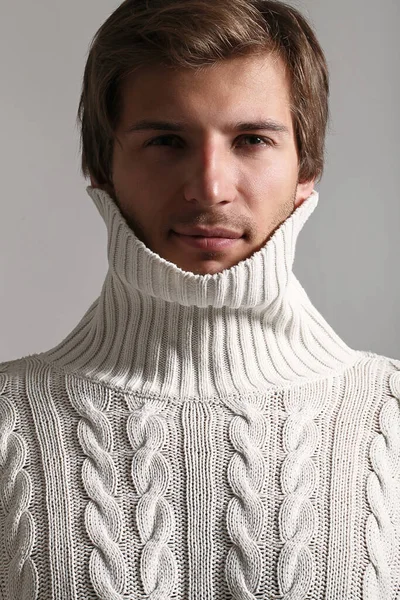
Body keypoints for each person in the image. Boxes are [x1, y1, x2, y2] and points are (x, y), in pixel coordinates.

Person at [0, 0, 399, 598]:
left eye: (252, 140)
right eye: (166, 140)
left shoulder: (389, 419)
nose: (209, 187)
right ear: (100, 163)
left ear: (306, 166)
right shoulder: (9, 422)